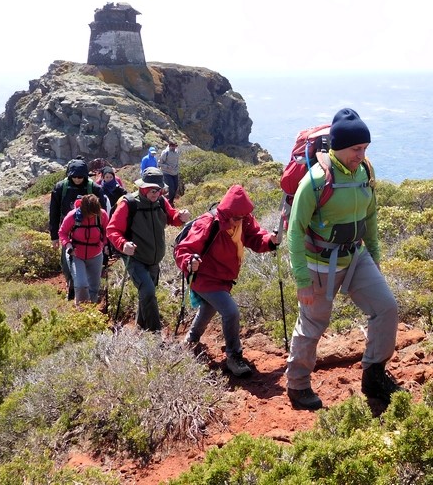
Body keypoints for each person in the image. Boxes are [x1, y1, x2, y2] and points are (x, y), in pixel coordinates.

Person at [285, 108, 402, 410]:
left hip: (356, 255)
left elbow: (371, 216)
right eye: (356, 149)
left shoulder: (365, 173)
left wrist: (374, 256)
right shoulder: (315, 181)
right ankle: (298, 385)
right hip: (320, 263)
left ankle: (374, 374)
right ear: (338, 147)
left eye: (364, 149)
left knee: (386, 308)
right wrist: (301, 280)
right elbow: (295, 232)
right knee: (313, 324)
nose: (361, 155)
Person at [174, 184, 278, 377]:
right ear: (227, 211)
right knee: (230, 312)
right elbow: (184, 249)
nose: (239, 221)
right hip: (205, 277)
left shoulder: (243, 219)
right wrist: (189, 261)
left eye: (242, 217)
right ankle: (233, 356)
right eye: (236, 217)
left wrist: (270, 241)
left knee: (208, 308)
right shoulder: (209, 223)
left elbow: (256, 238)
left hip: (223, 278)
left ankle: (190, 339)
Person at [107, 167, 190, 331]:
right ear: (142, 188)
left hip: (154, 259)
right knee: (148, 291)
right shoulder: (128, 204)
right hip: (135, 258)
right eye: (152, 190)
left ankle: (140, 328)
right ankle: (155, 334)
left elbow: (171, 217)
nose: (155, 193)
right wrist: (123, 244)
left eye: (158, 190)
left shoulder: (160, 201)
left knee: (146, 295)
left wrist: (180, 217)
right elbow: (112, 230)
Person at [49, 158, 108, 300]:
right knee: (67, 263)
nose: (77, 179)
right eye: (74, 176)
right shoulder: (60, 188)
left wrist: (105, 242)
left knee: (90, 269)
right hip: (69, 232)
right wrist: (54, 237)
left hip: (92, 233)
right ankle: (71, 286)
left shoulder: (94, 188)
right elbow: (54, 212)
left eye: (80, 176)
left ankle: (86, 294)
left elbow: (103, 216)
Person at [58, 194, 109, 306]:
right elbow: (62, 233)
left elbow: (107, 231)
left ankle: (92, 310)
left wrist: (105, 244)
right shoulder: (72, 216)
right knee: (81, 284)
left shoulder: (102, 215)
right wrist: (68, 245)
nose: (92, 216)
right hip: (76, 254)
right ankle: (81, 311)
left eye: (94, 213)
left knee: (94, 287)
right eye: (90, 214)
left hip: (96, 254)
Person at [159, 139, 181, 205]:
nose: (174, 147)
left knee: (176, 187)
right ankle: (169, 203)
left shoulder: (177, 152)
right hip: (167, 173)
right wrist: (167, 166)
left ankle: (170, 201)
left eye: (175, 146)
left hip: (175, 173)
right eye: (173, 146)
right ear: (170, 146)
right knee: (171, 188)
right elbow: (159, 163)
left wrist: (177, 167)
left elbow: (176, 161)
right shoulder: (165, 152)